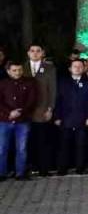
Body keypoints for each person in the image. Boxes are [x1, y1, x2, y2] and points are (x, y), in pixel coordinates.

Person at [22, 45, 57, 177]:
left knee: (43, 141)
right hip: (25, 112)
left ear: (42, 53)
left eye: (38, 51)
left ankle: (44, 168)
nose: (35, 53)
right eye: (32, 51)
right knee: (26, 142)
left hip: (42, 111)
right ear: (28, 53)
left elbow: (53, 90)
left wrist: (50, 108)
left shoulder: (49, 68)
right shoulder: (22, 68)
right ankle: (27, 168)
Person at [1, 61, 38, 180]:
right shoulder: (2, 83)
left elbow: (32, 100)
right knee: (2, 148)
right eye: (14, 70)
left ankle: (20, 173)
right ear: (8, 71)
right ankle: (1, 173)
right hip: (4, 120)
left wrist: (20, 112)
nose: (17, 73)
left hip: (23, 121)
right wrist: (9, 113)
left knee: (21, 148)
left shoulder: (30, 83)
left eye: (19, 70)